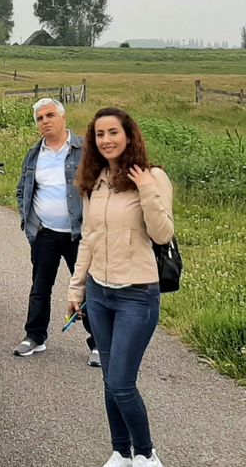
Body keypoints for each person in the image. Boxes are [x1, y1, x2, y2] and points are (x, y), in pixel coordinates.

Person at [67, 107, 175, 467]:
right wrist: (76, 289)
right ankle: (121, 452)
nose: (106, 140)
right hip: (99, 294)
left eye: (113, 132)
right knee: (110, 382)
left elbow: (163, 234)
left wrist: (146, 189)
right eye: (99, 134)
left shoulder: (153, 177)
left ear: (128, 135)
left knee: (121, 383)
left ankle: (147, 454)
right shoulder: (93, 181)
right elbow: (88, 238)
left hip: (136, 295)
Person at [12, 98, 97, 363]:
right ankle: (35, 337)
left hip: (79, 235)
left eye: (50, 115)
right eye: (39, 118)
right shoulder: (35, 154)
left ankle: (99, 344)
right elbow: (22, 189)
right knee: (40, 287)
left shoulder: (85, 150)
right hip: (45, 233)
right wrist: (31, 226)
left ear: (63, 117)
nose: (45, 121)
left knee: (88, 289)